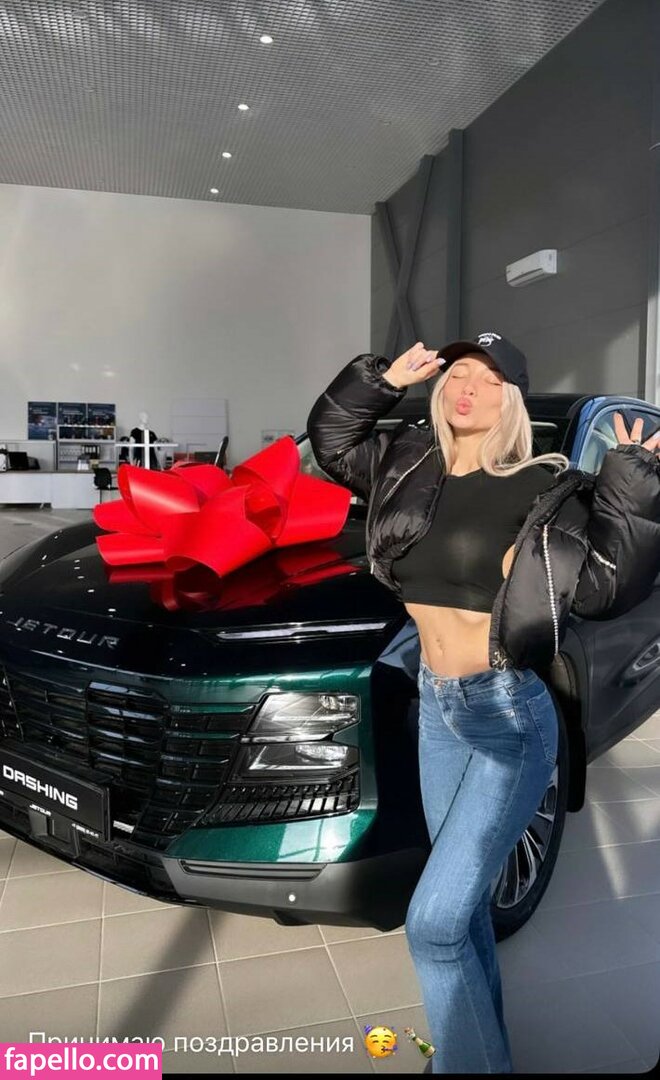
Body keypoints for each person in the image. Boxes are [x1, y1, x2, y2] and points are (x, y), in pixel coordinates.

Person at [306, 334, 660, 1074]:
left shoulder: (547, 487)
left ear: (512, 400)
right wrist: (381, 380)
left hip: (507, 718)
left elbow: (607, 584)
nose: (469, 386)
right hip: (439, 710)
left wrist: (632, 482)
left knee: (433, 925)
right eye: (459, 373)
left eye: (491, 379)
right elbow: (334, 442)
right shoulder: (406, 466)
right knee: (461, 915)